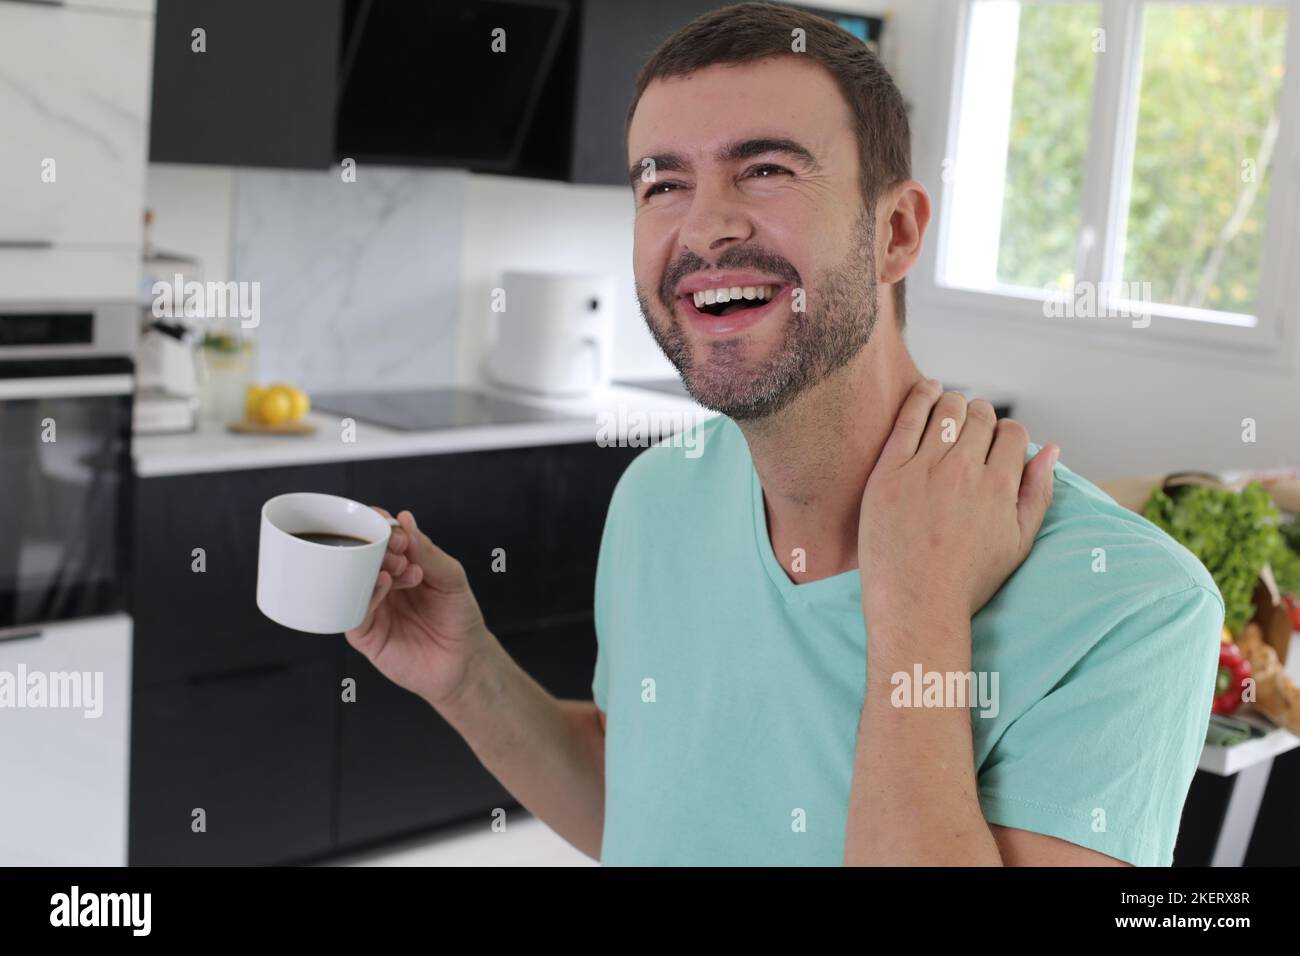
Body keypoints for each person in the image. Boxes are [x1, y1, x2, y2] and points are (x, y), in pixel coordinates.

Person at [346, 2, 1224, 866]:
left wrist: (917, 614)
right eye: (663, 183)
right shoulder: (658, 498)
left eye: (764, 169)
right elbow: (643, 808)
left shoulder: (1134, 607)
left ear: (897, 231)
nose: (703, 225)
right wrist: (469, 678)